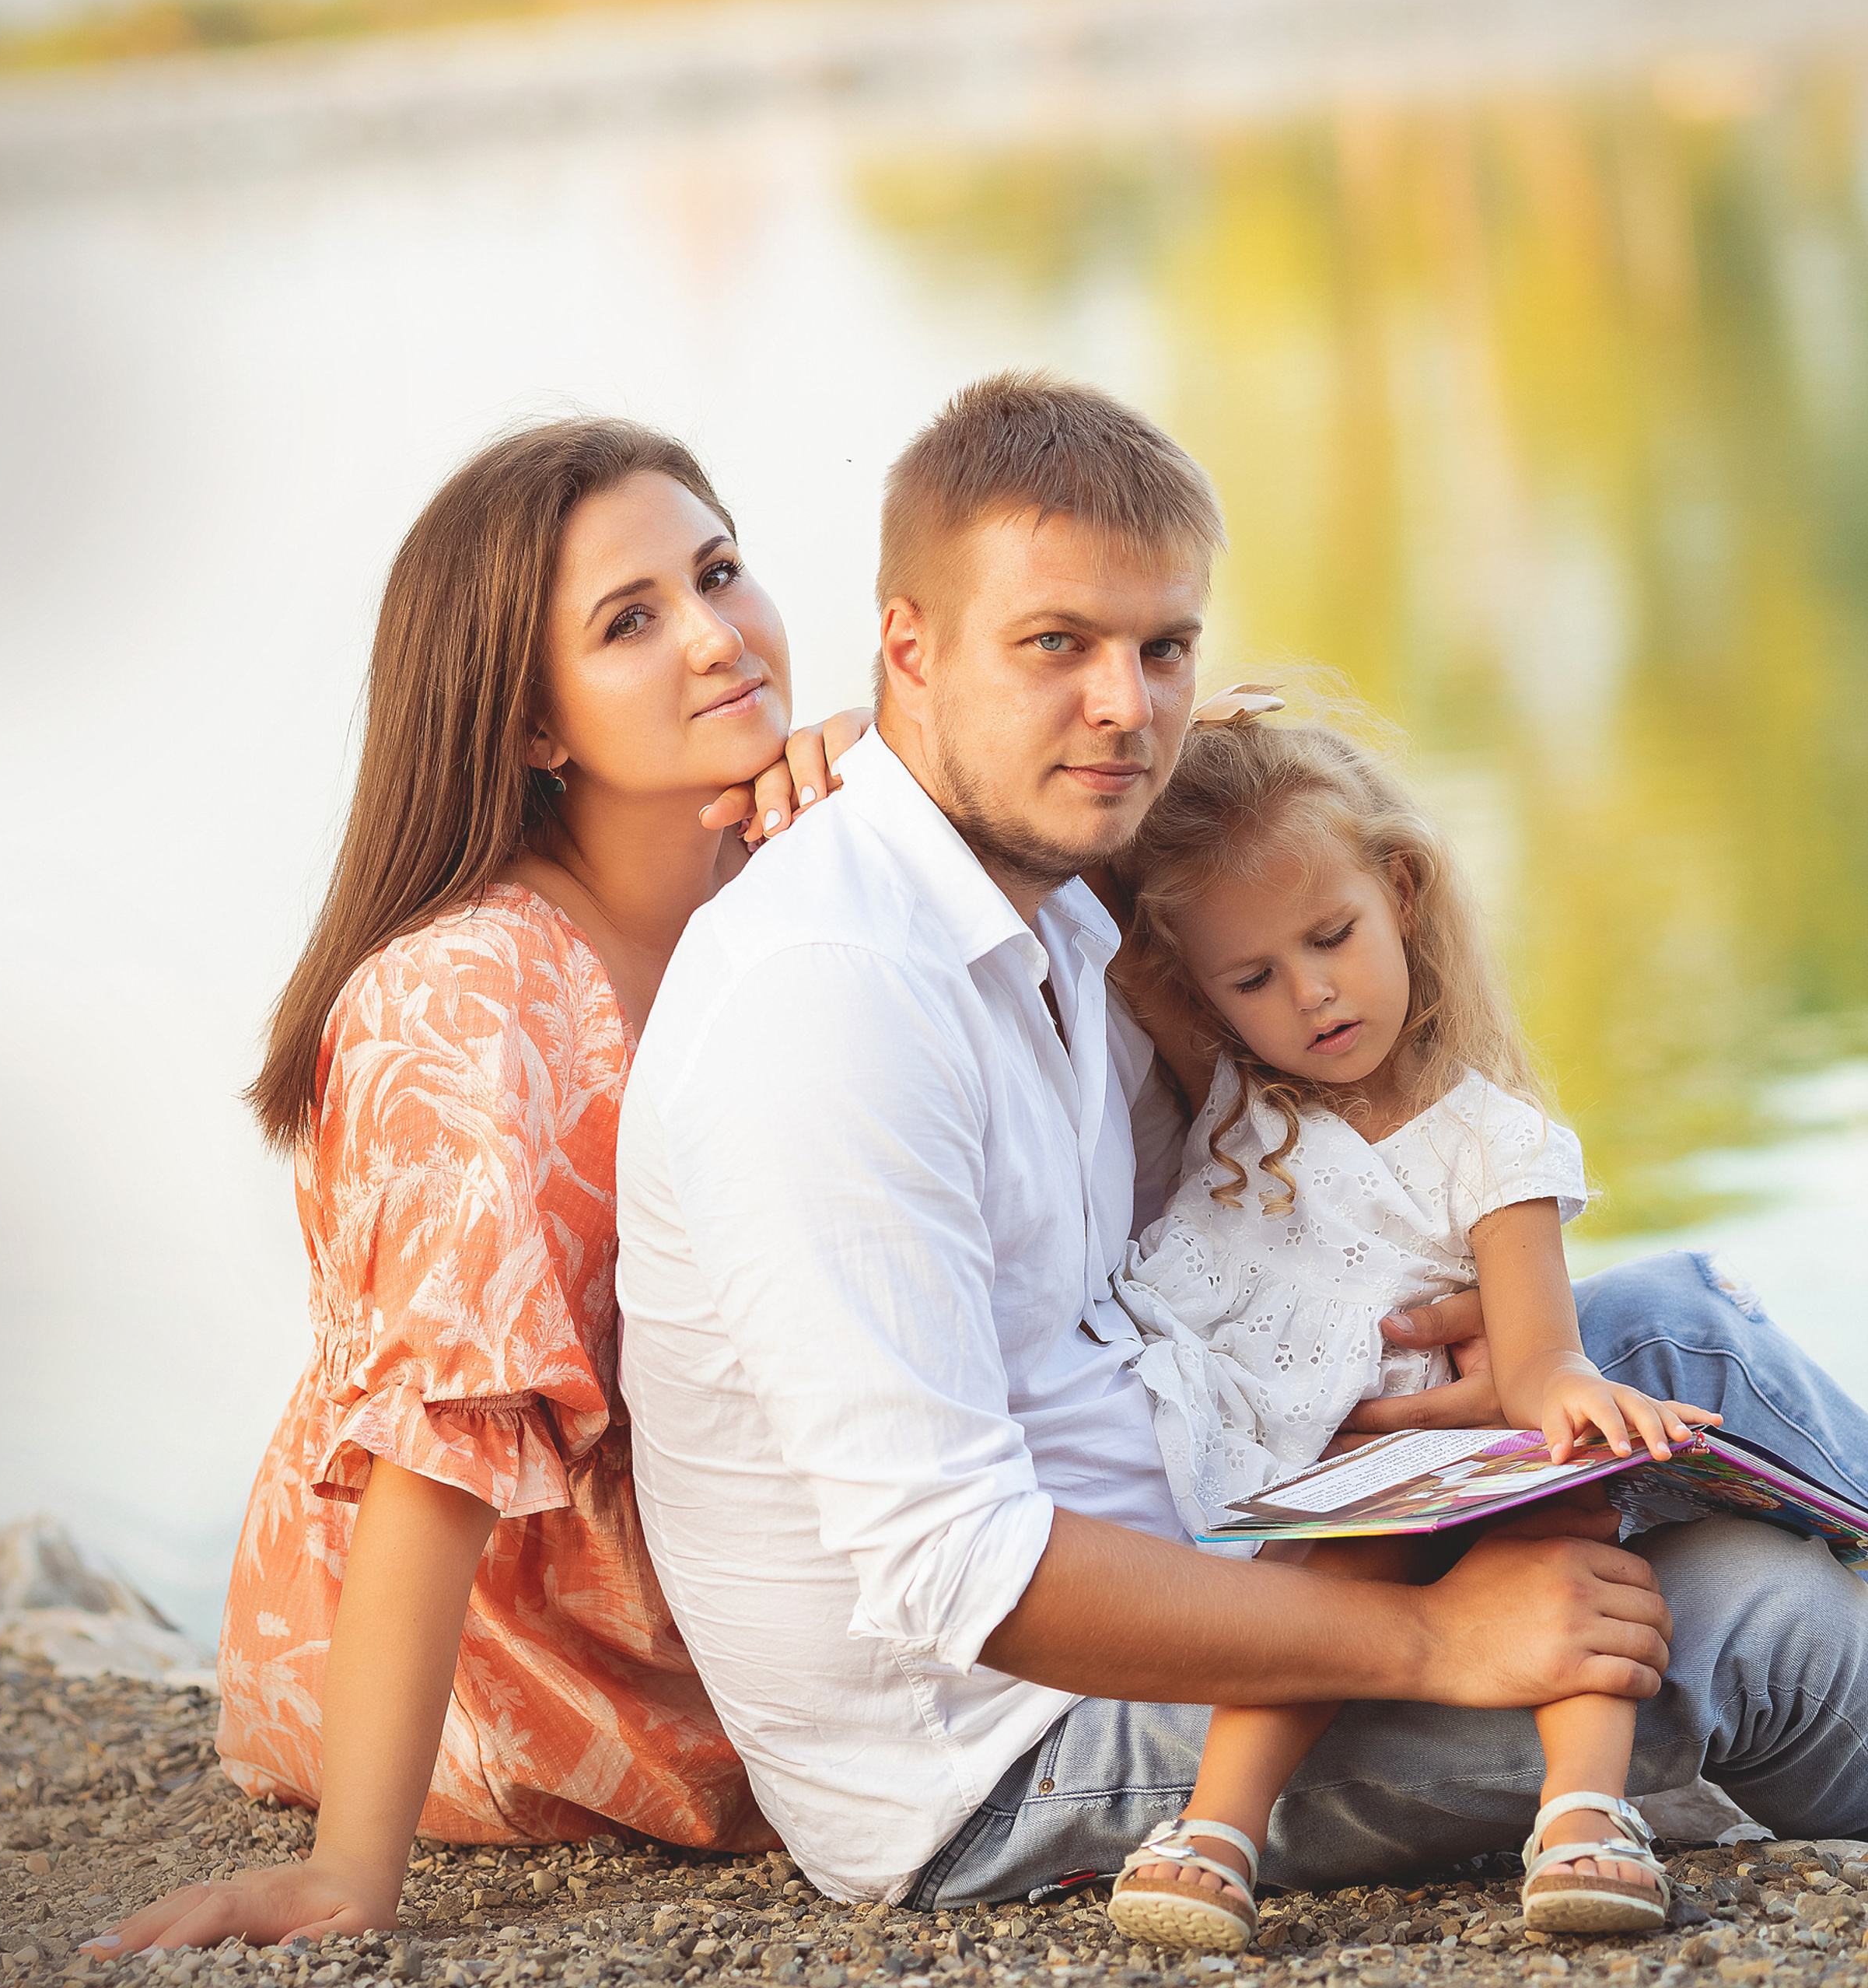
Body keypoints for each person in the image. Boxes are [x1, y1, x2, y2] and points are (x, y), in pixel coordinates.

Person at [614, 370, 1868, 1910]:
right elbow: (956, 1570)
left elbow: (1288, 995)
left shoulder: (1051, 902)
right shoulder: (826, 1003)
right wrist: (1429, 1636)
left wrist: (1449, 1374)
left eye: (1162, 645)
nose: (1126, 707)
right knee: (1764, 1621)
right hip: (1002, 1747)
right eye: (1054, 644)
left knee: (1674, 1332)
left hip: (1226, 1484)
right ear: (907, 650)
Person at [98, 418, 866, 1955]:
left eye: (718, 570)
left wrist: (923, 801)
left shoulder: (806, 869)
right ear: (530, 723)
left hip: (774, 1517)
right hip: (527, 1645)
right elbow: (436, 1458)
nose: (718, 637)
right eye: (629, 618)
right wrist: (345, 1876)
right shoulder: (464, 1000)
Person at [1099, 714, 1719, 1951]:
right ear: (1201, 985)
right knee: (1330, 1570)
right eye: (1253, 975)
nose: (1310, 994)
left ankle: (1586, 1817)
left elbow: (1538, 1351)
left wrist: (1583, 1403)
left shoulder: (1496, 1143)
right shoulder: (1233, 1087)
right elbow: (1073, 896)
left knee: (1571, 1524)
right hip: (1286, 1485)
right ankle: (1216, 1833)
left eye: (1330, 938)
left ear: (1401, 888)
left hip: (1421, 1475)